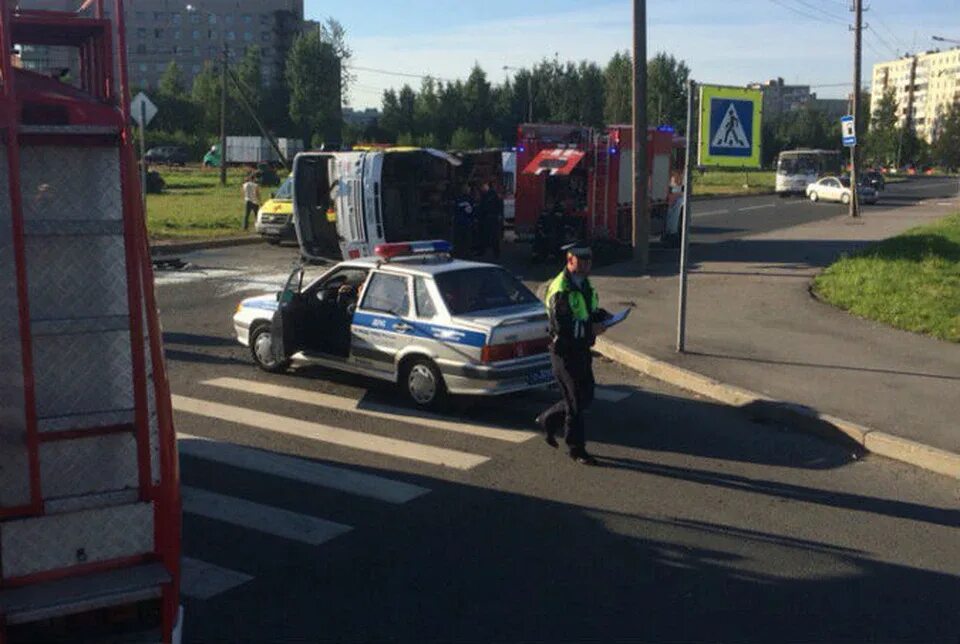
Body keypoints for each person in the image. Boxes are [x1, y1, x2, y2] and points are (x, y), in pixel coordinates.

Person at [536, 241, 611, 465]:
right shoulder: (561, 290)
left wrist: (603, 317)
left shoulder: (585, 285)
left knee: (586, 395)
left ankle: (548, 419)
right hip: (564, 353)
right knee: (577, 400)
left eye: (589, 260)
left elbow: (588, 312)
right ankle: (576, 449)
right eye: (582, 260)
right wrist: (591, 328)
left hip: (582, 349)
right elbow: (563, 327)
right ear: (570, 261)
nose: (587, 264)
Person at [477, 182, 504, 259]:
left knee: (491, 236)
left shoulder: (491, 195)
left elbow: (498, 205)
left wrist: (499, 214)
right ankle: (489, 252)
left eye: (483, 186)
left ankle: (494, 252)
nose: (482, 188)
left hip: (491, 217)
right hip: (489, 218)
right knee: (489, 235)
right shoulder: (487, 195)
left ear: (486, 186)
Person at [452, 184, 476, 259]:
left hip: (459, 222)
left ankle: (459, 253)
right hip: (466, 222)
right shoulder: (470, 199)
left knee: (460, 239)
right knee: (467, 239)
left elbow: (455, 210)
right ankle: (467, 254)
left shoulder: (458, 199)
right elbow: (471, 211)